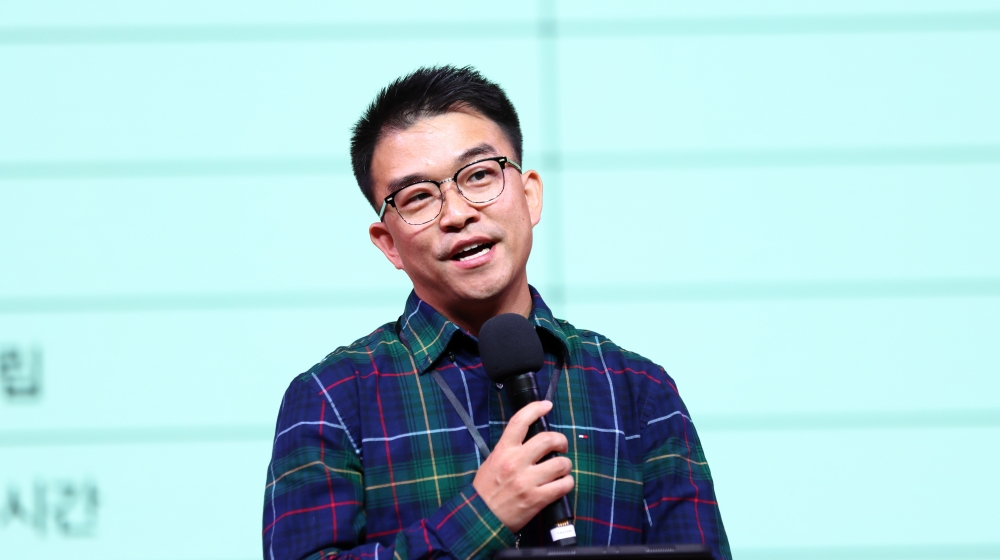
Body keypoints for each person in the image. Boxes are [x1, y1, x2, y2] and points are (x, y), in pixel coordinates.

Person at [262, 66, 730, 560]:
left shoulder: (637, 388)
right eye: (418, 197)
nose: (457, 213)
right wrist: (483, 515)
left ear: (529, 196)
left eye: (479, 175)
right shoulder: (333, 397)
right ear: (388, 244)